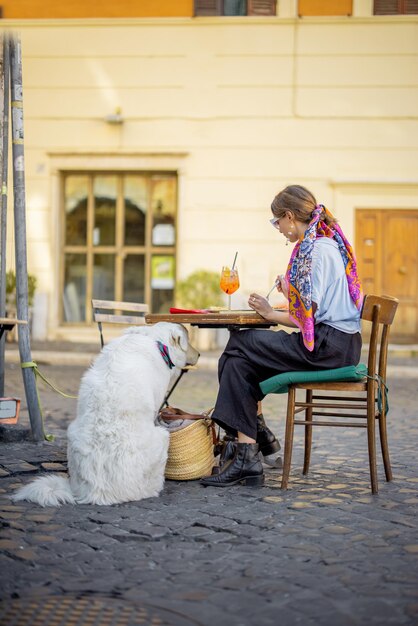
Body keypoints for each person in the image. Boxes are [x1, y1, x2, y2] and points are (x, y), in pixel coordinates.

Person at [201, 184, 363, 488]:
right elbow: (311, 310)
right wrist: (291, 295)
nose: (278, 229)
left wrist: (270, 313)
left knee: (239, 342)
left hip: (329, 348)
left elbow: (306, 320)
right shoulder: (320, 244)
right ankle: (249, 454)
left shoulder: (315, 252)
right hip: (333, 342)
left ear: (289, 217)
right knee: (238, 364)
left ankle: (252, 439)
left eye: (277, 222)